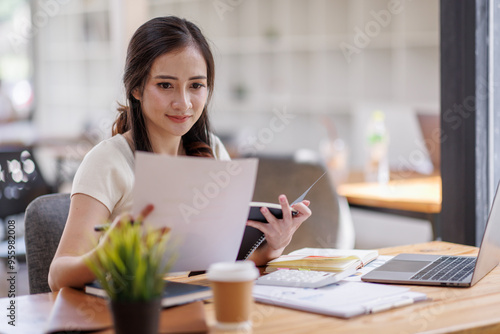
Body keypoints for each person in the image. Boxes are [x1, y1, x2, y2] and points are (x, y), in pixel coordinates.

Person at [48, 16, 312, 291]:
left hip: (198, 307)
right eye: (165, 85)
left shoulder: (213, 151)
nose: (183, 103)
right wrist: (106, 254)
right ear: (136, 88)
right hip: (133, 313)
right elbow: (58, 276)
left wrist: (273, 246)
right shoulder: (108, 161)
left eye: (196, 86)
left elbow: (223, 261)